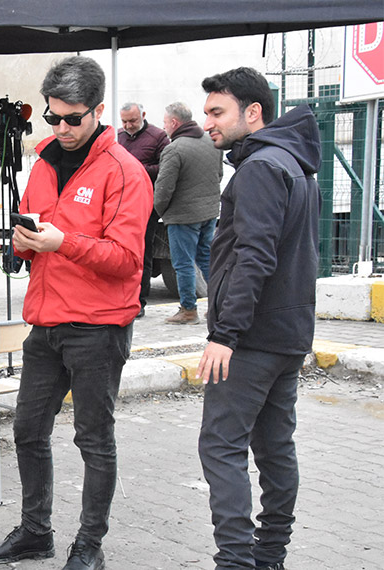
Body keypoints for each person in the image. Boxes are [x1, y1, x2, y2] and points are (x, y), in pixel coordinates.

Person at [0, 57, 151, 570]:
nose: (62, 128)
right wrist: (23, 243)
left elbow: (127, 261)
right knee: (27, 431)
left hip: (98, 328)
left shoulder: (125, 172)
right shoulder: (44, 164)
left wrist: (62, 242)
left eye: (73, 118)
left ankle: (88, 546)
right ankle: (35, 533)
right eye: (53, 118)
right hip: (45, 324)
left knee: (93, 439)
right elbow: (38, 241)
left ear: (98, 111)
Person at [196, 67, 320, 570]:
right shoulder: (293, 163)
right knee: (273, 446)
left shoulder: (262, 168)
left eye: (217, 112)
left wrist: (225, 333)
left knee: (221, 446)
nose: (208, 122)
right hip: (285, 334)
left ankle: (238, 562)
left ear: (253, 112)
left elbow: (255, 257)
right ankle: (268, 556)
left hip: (250, 338)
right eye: (205, 112)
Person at [154, 101, 224, 324]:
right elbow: (219, 175)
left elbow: (164, 188)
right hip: (209, 213)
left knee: (183, 263)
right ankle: (217, 307)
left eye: (165, 123)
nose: (164, 127)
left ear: (174, 122)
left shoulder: (174, 149)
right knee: (206, 259)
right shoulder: (211, 142)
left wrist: (160, 210)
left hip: (183, 217)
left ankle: (188, 310)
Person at [117, 102, 169, 318]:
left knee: (142, 252)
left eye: (133, 121)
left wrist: (136, 169)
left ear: (143, 115)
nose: (128, 125)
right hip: (120, 203)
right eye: (125, 121)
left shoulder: (158, 136)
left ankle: (139, 301)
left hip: (146, 204)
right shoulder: (118, 136)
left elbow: (167, 166)